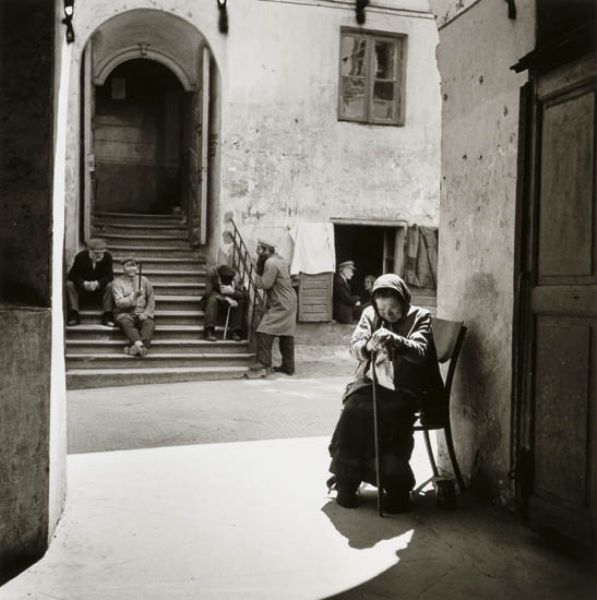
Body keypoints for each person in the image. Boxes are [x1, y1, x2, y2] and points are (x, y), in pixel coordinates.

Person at [327, 273, 445, 513]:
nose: (387, 315)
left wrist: (396, 340)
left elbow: (420, 351)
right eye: (382, 310)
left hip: (406, 388)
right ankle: (347, 480)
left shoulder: (419, 317)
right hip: (372, 383)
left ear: (404, 301)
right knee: (354, 410)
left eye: (393, 309)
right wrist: (368, 345)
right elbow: (355, 347)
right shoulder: (370, 314)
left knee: (391, 414)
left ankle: (394, 486)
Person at [251, 238, 297, 375]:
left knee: (264, 329)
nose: (258, 252)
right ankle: (288, 366)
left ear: (266, 250)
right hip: (289, 300)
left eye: (260, 249)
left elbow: (265, 284)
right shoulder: (280, 260)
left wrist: (256, 276)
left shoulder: (270, 263)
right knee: (286, 333)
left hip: (281, 302)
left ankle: (264, 362)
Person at [112, 258, 155, 357]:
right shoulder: (117, 282)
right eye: (128, 266)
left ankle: (135, 348)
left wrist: (146, 313)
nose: (131, 269)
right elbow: (119, 303)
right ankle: (140, 346)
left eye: (133, 266)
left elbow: (151, 298)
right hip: (124, 313)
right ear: (123, 268)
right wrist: (133, 297)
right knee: (126, 322)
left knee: (149, 323)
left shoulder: (144, 280)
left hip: (140, 312)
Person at [66, 238, 114, 326]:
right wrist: (83, 283)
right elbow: (72, 275)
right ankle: (74, 313)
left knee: (111, 285)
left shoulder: (108, 257)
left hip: (99, 290)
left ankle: (107, 314)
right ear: (89, 251)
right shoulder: (80, 257)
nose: (99, 256)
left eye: (101, 253)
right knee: (70, 284)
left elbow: (110, 276)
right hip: (83, 290)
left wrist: (98, 283)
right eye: (96, 253)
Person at [202, 264, 247, 342]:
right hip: (214, 301)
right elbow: (208, 293)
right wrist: (226, 299)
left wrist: (233, 292)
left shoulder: (235, 276)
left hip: (228, 302)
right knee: (212, 300)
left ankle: (236, 331)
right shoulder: (211, 273)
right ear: (219, 277)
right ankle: (209, 331)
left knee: (240, 301)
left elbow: (244, 295)